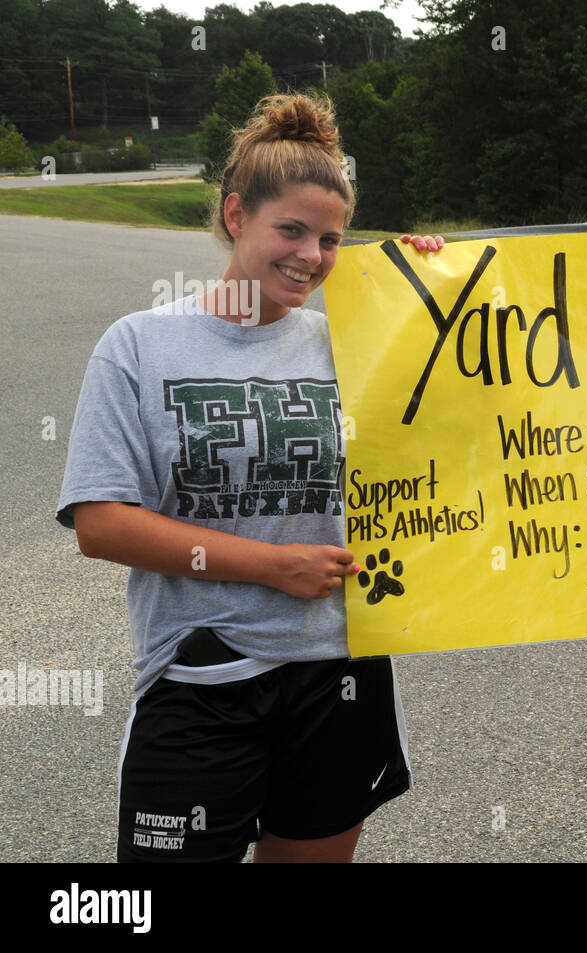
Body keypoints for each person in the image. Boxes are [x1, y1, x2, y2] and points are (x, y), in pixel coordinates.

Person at [56, 92, 444, 862]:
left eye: (331, 239)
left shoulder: (353, 344)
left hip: (338, 671)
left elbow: (478, 403)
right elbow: (100, 524)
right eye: (291, 230)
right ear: (237, 216)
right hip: (200, 675)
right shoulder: (138, 346)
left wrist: (442, 285)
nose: (311, 255)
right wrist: (273, 566)